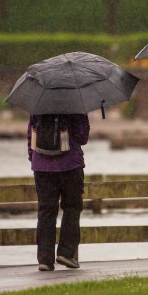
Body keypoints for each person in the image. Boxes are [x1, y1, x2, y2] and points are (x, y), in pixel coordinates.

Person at [27, 114, 90, 271]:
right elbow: (82, 137)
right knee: (72, 208)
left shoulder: (38, 104)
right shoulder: (74, 104)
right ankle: (66, 253)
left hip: (42, 167)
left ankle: (45, 259)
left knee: (46, 211)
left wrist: (35, 158)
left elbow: (31, 135)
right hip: (70, 164)